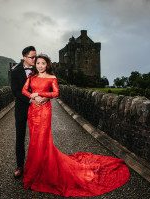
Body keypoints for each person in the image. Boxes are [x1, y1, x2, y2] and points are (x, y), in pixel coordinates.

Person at [21, 54, 130, 197]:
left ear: (47, 65)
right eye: (38, 63)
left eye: (43, 63)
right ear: (35, 64)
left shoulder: (52, 78)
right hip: (33, 111)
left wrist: (41, 94)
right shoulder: (31, 77)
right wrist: (32, 97)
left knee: (42, 140)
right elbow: (24, 90)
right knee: (34, 141)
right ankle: (37, 169)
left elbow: (56, 92)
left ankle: (41, 172)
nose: (40, 65)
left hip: (44, 112)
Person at [10, 46, 48, 179]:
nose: (35, 59)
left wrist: (44, 96)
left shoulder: (39, 69)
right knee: (20, 137)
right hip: (22, 108)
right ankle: (20, 166)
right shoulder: (14, 71)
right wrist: (31, 100)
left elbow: (47, 85)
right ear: (24, 57)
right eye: (32, 57)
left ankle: (38, 165)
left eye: (35, 56)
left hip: (38, 109)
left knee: (38, 137)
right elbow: (15, 91)